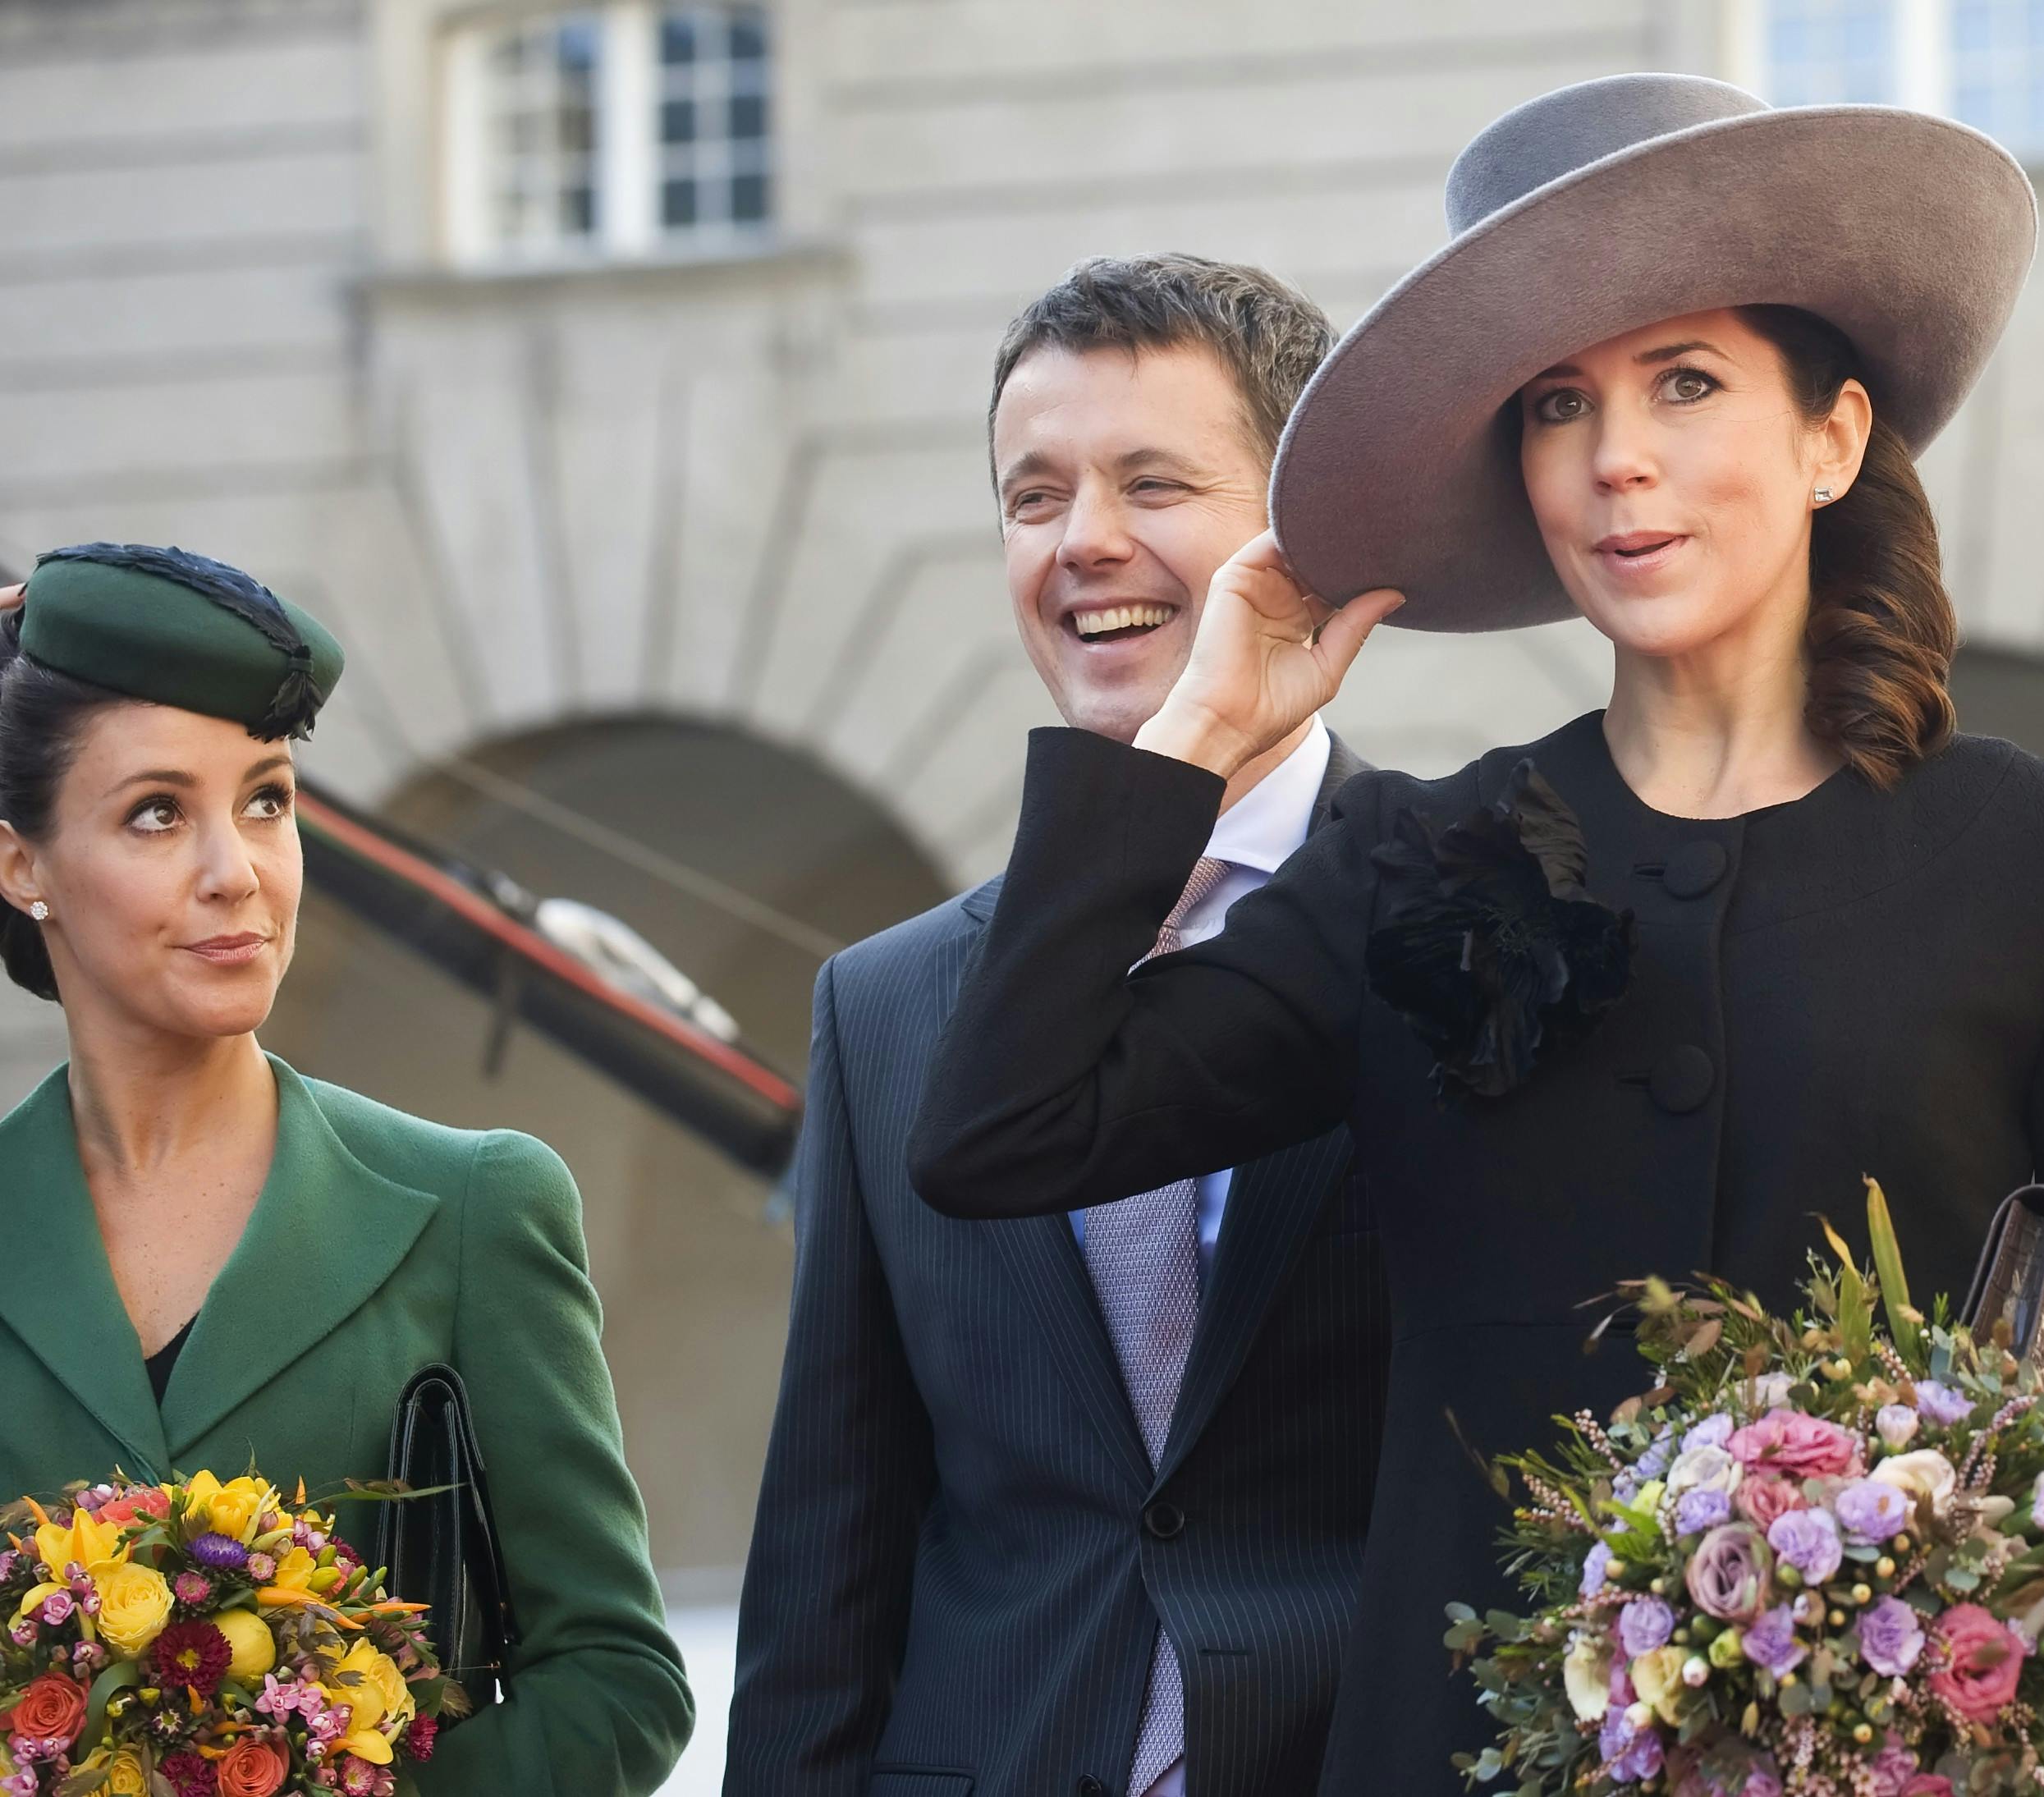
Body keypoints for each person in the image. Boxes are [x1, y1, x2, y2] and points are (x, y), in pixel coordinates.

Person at [905, 76, 2044, 1793]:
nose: (1617, 456)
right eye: (1561, 406)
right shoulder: (1419, 857)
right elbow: (1002, 1132)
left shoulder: (2043, 854)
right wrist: (1199, 730)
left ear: (1833, 437)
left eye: (1685, 384)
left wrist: (1952, 1659)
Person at [723, 256, 1391, 1797]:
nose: (1087, 541)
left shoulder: (1461, 920)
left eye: (1153, 481)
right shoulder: (880, 1006)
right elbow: (834, 1537)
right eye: (1035, 496)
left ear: (1306, 527)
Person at [0, 545, 693, 1793]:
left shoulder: (475, 1206)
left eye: (265, 799)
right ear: (22, 865)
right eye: (158, 812)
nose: (237, 871)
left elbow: (619, 1678)